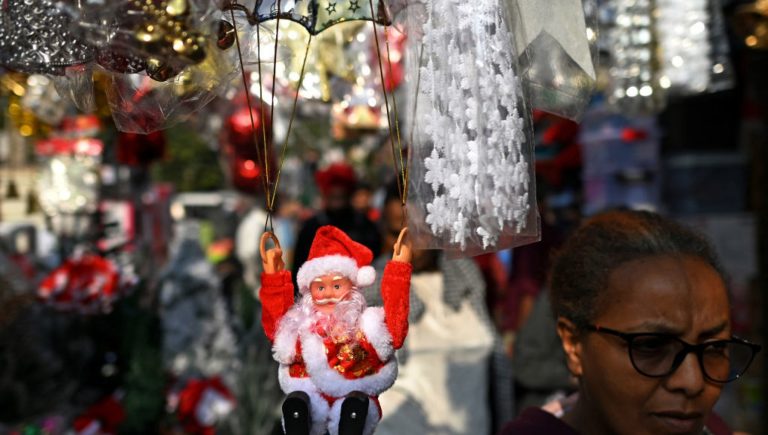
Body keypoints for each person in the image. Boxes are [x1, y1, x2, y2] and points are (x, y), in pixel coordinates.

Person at [500, 210, 761, 435]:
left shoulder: (707, 426)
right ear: (573, 344)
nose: (692, 382)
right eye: (651, 346)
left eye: (714, 348)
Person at [260, 225, 412, 435]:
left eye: (337, 286)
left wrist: (399, 270)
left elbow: (395, 331)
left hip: (353, 394)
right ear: (310, 291)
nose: (329, 294)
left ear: (353, 287)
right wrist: (274, 278)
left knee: (353, 409)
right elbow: (276, 331)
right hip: (311, 395)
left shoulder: (367, 325)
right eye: (320, 287)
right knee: (299, 405)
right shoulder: (302, 326)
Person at [292, 163, 381, 279]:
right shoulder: (310, 227)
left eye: (341, 191)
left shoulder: (365, 225)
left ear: (349, 193)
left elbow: (374, 262)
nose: (337, 194)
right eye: (333, 190)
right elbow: (299, 268)